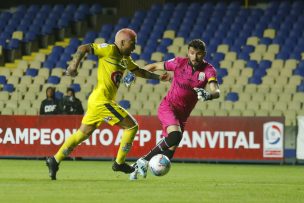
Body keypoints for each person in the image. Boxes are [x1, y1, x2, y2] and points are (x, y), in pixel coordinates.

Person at [46, 28, 170, 180]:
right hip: (102, 101)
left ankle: (55, 159)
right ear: (122, 42)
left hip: (96, 101)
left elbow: (139, 72)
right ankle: (119, 163)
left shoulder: (125, 59)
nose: (134, 48)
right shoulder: (109, 49)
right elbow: (83, 48)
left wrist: (159, 78)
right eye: (132, 44)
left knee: (82, 134)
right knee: (132, 126)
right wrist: (73, 66)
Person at [129, 39, 221, 180]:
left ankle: (135, 168)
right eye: (192, 53)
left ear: (204, 54)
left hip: (182, 116)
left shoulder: (209, 70)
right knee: (175, 136)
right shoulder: (179, 62)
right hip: (168, 107)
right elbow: (154, 66)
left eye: (199, 54)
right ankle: (144, 160)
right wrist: (133, 73)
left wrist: (209, 95)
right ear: (188, 52)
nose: (195, 57)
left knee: (168, 154)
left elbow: (216, 90)